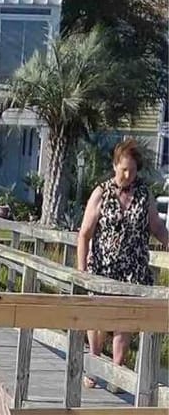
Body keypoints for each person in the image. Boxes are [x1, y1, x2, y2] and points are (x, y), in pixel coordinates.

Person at [77, 138, 169, 388]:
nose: (128, 175)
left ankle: (116, 371)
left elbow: (157, 226)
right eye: (124, 169)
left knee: (124, 323)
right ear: (115, 165)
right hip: (103, 269)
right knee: (98, 319)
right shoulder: (101, 192)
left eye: (133, 170)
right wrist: (81, 272)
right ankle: (94, 366)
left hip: (133, 270)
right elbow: (85, 233)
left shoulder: (143, 193)